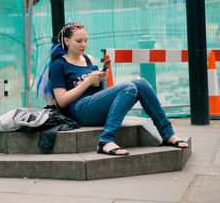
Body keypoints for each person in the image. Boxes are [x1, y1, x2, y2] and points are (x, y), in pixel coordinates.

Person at [47, 22, 188, 156]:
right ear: (66, 41)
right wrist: (88, 81)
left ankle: (168, 133)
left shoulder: (89, 59)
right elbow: (62, 101)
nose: (84, 44)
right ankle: (105, 141)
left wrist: (100, 79)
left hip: (94, 107)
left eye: (86, 40)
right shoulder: (58, 64)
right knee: (129, 87)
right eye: (79, 41)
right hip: (78, 111)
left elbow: (99, 93)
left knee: (141, 83)